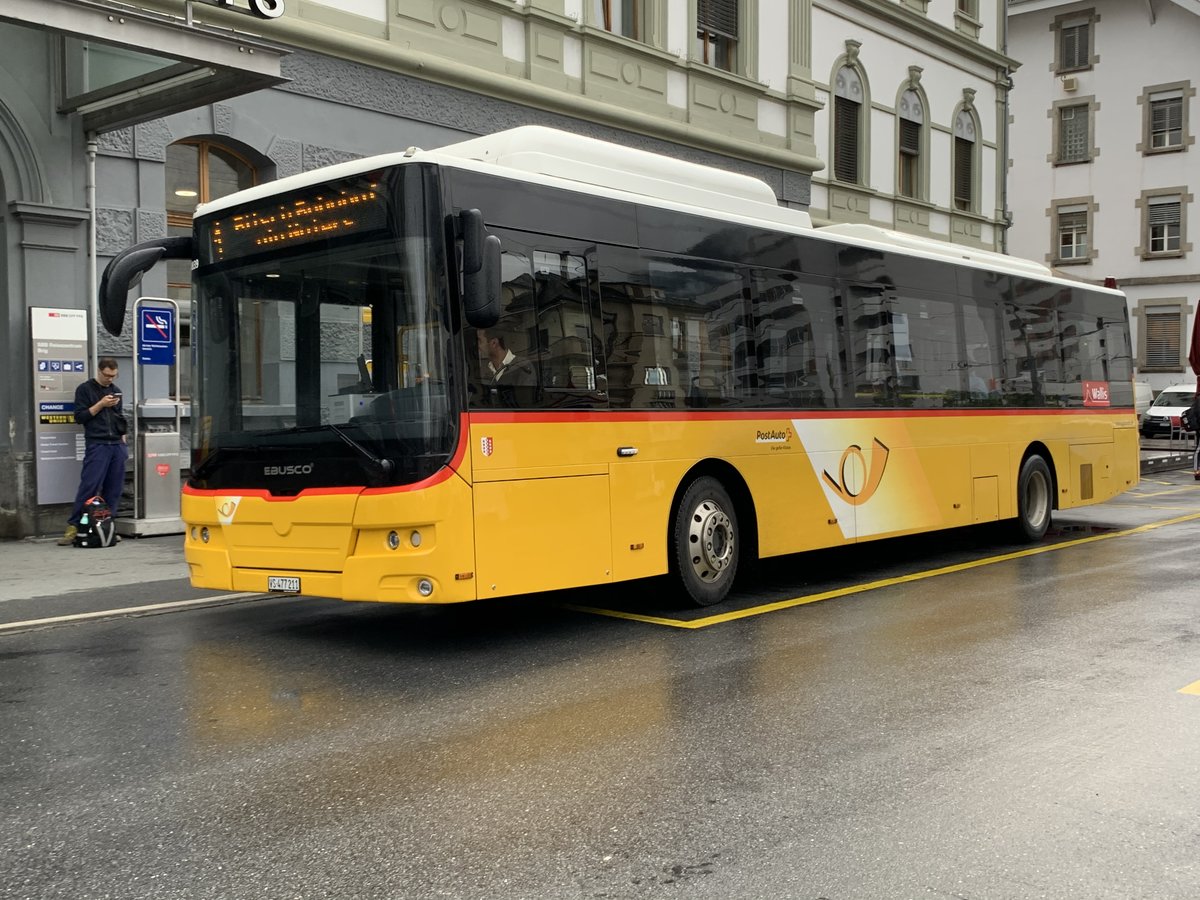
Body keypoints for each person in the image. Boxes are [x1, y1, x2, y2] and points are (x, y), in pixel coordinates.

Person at [58, 357, 128, 545]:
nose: (110, 380)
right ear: (99, 371)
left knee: (114, 487)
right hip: (97, 443)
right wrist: (101, 404)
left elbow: (119, 418)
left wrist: (123, 443)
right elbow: (80, 417)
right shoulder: (85, 389)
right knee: (89, 486)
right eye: (106, 375)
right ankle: (74, 527)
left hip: (116, 444)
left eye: (113, 376)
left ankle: (107, 526)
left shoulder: (116, 391)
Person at [477, 326, 535, 405]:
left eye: (480, 341)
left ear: (494, 343)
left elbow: (525, 404)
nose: (478, 346)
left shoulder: (523, 366)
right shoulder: (485, 369)